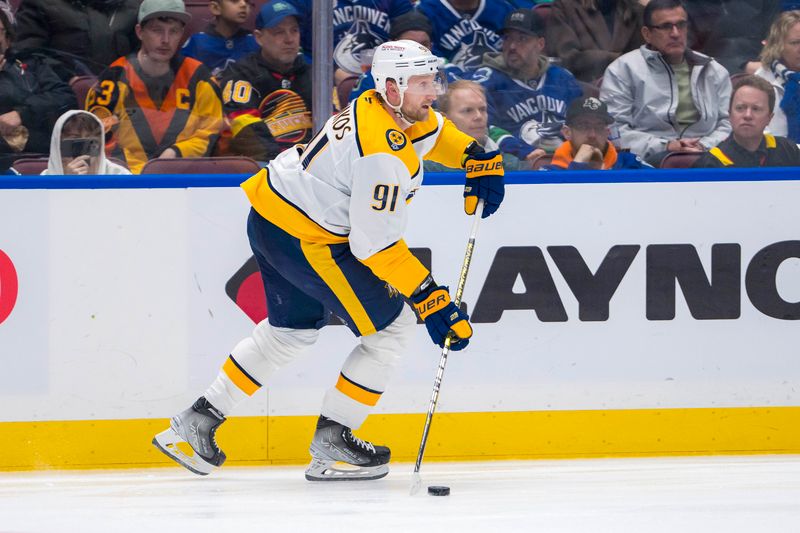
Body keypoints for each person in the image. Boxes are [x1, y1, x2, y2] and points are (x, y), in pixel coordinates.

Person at [152, 40, 505, 481]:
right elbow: (374, 247)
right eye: (422, 83)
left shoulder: (380, 105)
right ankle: (334, 440)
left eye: (432, 80)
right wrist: (430, 299)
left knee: (289, 332)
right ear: (392, 87)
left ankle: (195, 423)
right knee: (392, 328)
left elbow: (432, 131)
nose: (432, 92)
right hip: (308, 239)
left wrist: (476, 156)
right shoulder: (382, 154)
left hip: (272, 217)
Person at [86, 0, 224, 174]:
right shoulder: (113, 79)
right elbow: (97, 137)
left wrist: (176, 153)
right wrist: (137, 172)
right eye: (157, 30)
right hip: (125, 182)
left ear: (181, 33)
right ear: (139, 32)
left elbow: (210, 131)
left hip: (184, 180)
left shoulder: (200, 79)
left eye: (173, 31)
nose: (165, 40)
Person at [600, 0, 731, 165]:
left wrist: (703, 146)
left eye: (681, 25)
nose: (676, 33)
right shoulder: (623, 70)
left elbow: (729, 124)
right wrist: (666, 146)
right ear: (647, 34)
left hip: (709, 158)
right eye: (666, 26)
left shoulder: (713, 71)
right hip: (645, 164)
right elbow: (613, 131)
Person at [468, 8, 583, 157]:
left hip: (566, 161)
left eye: (522, 39)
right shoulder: (488, 81)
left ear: (540, 44)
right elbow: (484, 129)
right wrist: (525, 153)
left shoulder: (562, 79)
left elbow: (583, 124)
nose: (512, 46)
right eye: (507, 38)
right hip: (515, 164)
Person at [216, 0, 312, 162]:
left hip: (310, 163)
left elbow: (332, 122)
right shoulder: (240, 74)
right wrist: (282, 163)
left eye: (294, 30)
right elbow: (243, 129)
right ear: (259, 38)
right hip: (265, 164)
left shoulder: (314, 74)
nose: (289, 39)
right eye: (279, 32)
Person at [0, 9, 78, 172]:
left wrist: (21, 114)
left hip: (40, 154)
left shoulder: (31, 64)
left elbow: (64, 97)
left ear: (7, 39)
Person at [13, 0, 140, 81]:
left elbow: (144, 55)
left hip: (122, 101)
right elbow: (27, 55)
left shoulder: (134, 8)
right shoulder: (41, 4)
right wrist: (68, 78)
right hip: (61, 100)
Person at [693, 74, 800, 167]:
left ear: (769, 118)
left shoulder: (788, 150)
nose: (747, 115)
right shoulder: (710, 163)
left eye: (756, 109)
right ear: (730, 114)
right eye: (740, 108)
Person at [425, 79, 524, 170]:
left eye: (482, 109)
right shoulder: (428, 168)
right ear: (444, 118)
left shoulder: (510, 164)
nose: (478, 116)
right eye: (468, 110)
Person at [545, 0, 645, 83]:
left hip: (629, 88)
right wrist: (617, 60)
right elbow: (566, 57)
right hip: (582, 90)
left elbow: (644, 57)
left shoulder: (636, 10)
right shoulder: (565, 6)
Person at [543, 96, 652, 169]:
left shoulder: (629, 163)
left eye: (599, 127)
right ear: (567, 132)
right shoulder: (551, 173)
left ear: (607, 133)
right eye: (583, 126)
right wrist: (578, 166)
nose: (592, 135)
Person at [349, 10, 434, 101]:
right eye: (410, 44)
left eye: (424, 44)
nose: (418, 51)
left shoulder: (443, 77)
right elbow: (359, 113)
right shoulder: (372, 79)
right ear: (393, 45)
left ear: (431, 46)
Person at [685, 0, 780, 75]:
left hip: (765, 68)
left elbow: (778, 39)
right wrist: (743, 66)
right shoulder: (685, 6)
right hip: (711, 75)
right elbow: (687, 56)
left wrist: (769, 65)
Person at [418, 0, 517, 71]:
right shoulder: (424, 12)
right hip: (453, 90)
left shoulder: (503, 8)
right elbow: (428, 62)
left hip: (503, 87)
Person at [181, 0, 260, 76]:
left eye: (247, 1)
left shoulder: (254, 42)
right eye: (234, 0)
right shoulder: (197, 43)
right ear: (216, 8)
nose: (243, 4)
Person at [755, 10, 800, 141]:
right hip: (777, 154)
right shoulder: (761, 80)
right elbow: (759, 132)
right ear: (778, 45)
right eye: (795, 43)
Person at [43, 110, 131, 175]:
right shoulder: (46, 177)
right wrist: (66, 183)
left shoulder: (119, 174)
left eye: (90, 141)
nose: (84, 147)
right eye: (75, 141)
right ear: (58, 146)